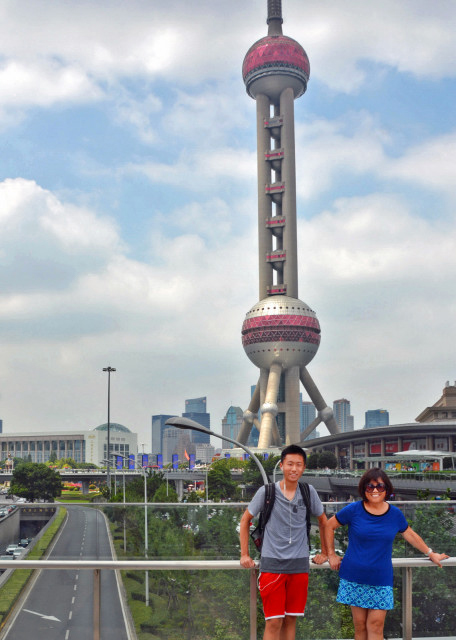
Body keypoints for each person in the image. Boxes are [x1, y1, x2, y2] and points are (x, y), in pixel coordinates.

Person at [325, 468, 449, 640]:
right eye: (370, 487)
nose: (375, 490)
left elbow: (410, 535)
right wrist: (330, 554)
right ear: (364, 489)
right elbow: (329, 526)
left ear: (387, 489)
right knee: (360, 627)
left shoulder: (395, 514)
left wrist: (431, 553)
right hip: (354, 576)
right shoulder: (353, 510)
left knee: (376, 626)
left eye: (380, 486)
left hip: (380, 578)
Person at [239, 444, 328, 640]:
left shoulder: (308, 491)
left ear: (304, 467)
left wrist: (325, 553)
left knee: (290, 620)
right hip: (272, 564)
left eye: (298, 464)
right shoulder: (267, 491)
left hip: (299, 566)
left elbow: (323, 521)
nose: (294, 469)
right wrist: (244, 554)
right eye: (290, 464)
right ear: (282, 465)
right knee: (274, 621)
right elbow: (245, 520)